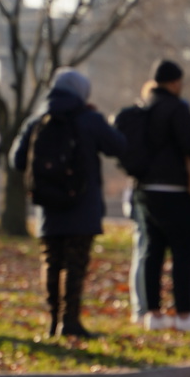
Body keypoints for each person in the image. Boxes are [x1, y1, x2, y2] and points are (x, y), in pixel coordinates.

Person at [11, 68, 127, 339]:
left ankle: (53, 322)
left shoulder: (37, 120)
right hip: (82, 206)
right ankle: (70, 321)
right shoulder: (89, 119)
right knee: (75, 264)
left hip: (47, 207)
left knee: (52, 261)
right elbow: (119, 146)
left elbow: (16, 160)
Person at [134, 60, 190, 334]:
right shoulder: (176, 108)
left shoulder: (144, 107)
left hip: (146, 190)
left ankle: (153, 314)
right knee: (183, 253)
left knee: (152, 252)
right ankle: (184, 313)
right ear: (174, 82)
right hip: (176, 191)